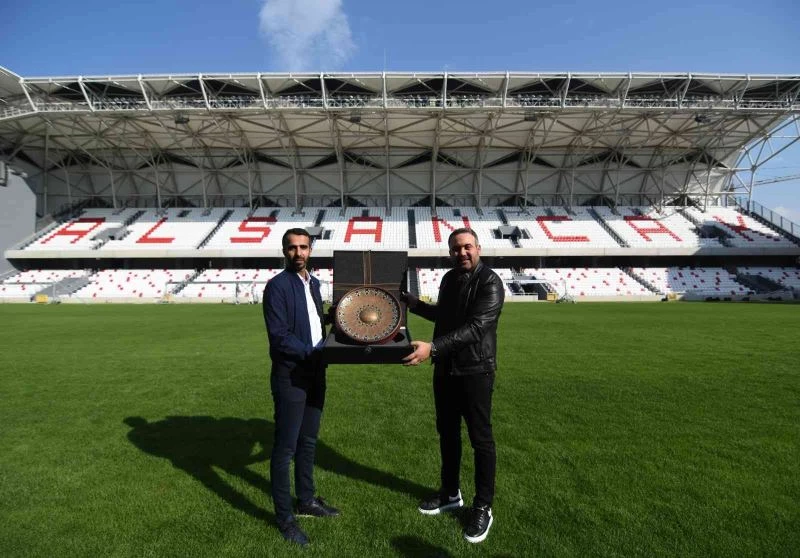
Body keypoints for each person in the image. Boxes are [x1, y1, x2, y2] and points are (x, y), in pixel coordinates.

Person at [402, 227, 504, 544]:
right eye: (456, 249)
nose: (462, 253)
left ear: (478, 248)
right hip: (446, 369)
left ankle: (483, 506)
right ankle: (450, 494)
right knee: (447, 434)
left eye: (467, 247)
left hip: (476, 370)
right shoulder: (448, 279)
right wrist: (409, 302)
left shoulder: (490, 282)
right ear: (450, 253)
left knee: (480, 439)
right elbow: (444, 316)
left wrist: (431, 348)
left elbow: (475, 328)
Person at [262, 228, 339, 547]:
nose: (298, 253)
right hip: (291, 376)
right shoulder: (277, 286)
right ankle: (285, 519)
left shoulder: (314, 283)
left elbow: (310, 322)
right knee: (285, 450)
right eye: (292, 248)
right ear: (284, 250)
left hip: (315, 372)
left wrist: (334, 318)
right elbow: (279, 336)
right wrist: (315, 352)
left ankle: (306, 501)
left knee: (308, 442)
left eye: (303, 247)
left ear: (311, 249)